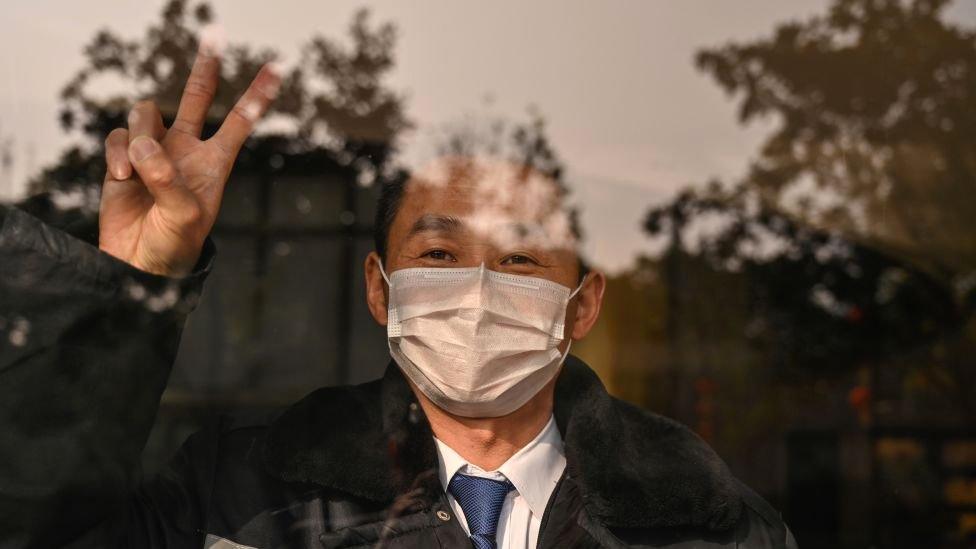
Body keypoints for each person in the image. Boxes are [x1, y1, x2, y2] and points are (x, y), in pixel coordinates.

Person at [0, 45, 797, 549]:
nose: (480, 289)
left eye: (519, 255)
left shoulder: (713, 525)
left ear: (582, 306)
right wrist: (125, 295)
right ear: (382, 289)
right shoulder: (236, 491)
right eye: (440, 252)